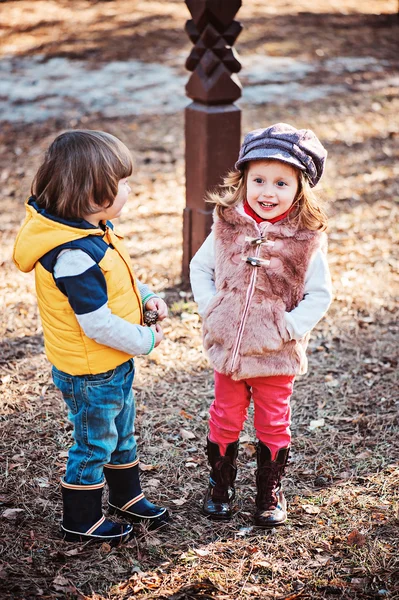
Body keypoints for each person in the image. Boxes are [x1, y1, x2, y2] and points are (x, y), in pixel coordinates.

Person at [13, 130, 170, 545]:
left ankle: (126, 497)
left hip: (110, 363)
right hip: (90, 371)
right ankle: (80, 520)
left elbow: (118, 283)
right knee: (93, 445)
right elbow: (96, 324)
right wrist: (145, 340)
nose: (130, 189)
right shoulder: (72, 256)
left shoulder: (93, 230)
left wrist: (147, 296)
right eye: (121, 185)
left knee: (121, 433)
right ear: (92, 194)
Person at [190, 123, 332, 528]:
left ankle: (270, 491)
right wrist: (211, 307)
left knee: (273, 419)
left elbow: (320, 295)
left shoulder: (306, 240)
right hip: (228, 349)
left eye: (281, 183)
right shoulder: (228, 227)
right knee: (224, 414)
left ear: (300, 188)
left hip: (274, 353)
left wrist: (287, 327)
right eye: (259, 180)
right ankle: (221, 485)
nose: (268, 192)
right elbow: (200, 268)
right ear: (243, 180)